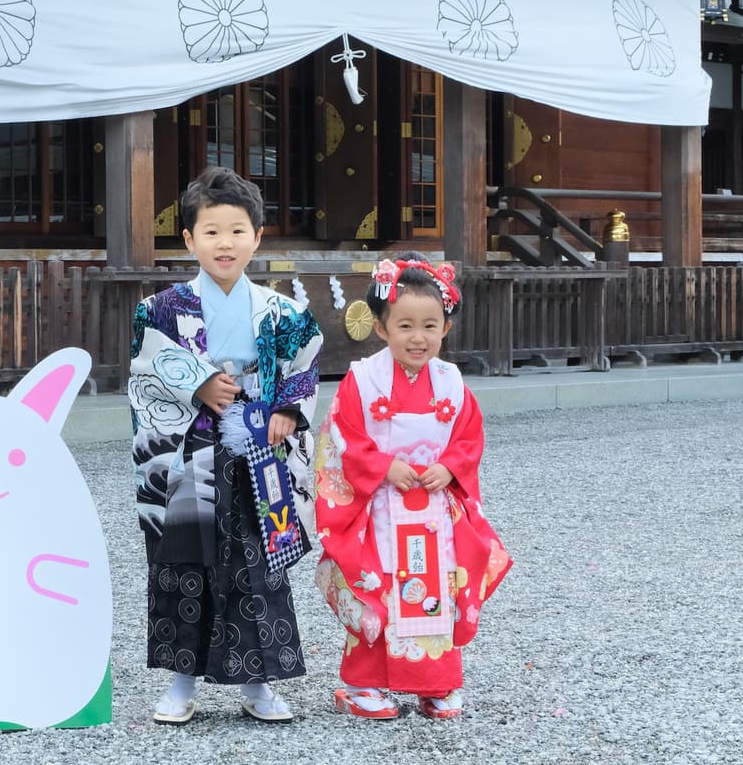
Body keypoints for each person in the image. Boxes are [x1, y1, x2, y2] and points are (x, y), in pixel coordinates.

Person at [127, 166, 323, 726]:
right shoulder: (160, 309)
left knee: (257, 567)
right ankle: (180, 683)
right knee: (186, 561)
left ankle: (259, 685)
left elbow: (305, 361)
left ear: (258, 236)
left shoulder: (283, 311)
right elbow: (144, 372)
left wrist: (286, 409)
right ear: (188, 239)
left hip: (259, 452)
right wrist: (196, 383)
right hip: (192, 453)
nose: (225, 243)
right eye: (210, 231)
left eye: (237, 230)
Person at [313, 252, 513, 720]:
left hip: (433, 508)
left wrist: (450, 466)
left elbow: (468, 436)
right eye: (404, 326)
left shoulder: (451, 382)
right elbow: (342, 439)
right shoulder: (362, 380)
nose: (418, 337)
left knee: (434, 590)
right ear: (381, 329)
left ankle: (435, 685)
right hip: (378, 508)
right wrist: (382, 466)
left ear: (445, 328)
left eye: (430, 325)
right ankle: (364, 686)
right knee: (378, 589)